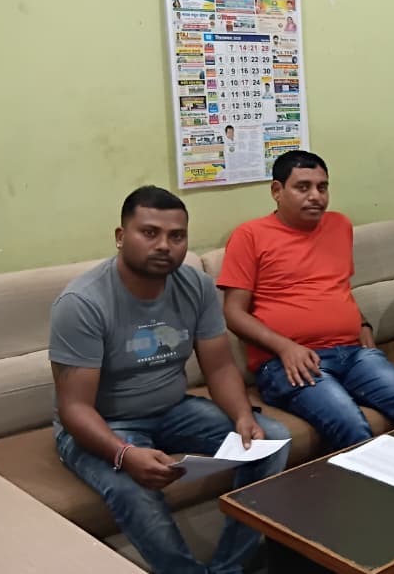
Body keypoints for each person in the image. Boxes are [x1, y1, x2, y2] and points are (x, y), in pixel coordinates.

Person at [50, 186, 290, 573]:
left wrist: (243, 416)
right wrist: (124, 454)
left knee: (271, 439)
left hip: (173, 410)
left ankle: (228, 568)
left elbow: (219, 368)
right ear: (120, 236)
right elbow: (74, 407)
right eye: (150, 233)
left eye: (176, 236)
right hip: (103, 423)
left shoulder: (196, 286)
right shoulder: (83, 303)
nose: (164, 245)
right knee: (133, 489)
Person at [219, 150, 394, 450]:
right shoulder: (249, 235)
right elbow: (233, 313)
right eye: (303, 187)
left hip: (353, 354)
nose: (315, 196)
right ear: (277, 191)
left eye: (322, 187)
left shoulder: (339, 226)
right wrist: (285, 347)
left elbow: (336, 287)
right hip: (288, 362)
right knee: (350, 424)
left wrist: (362, 323)